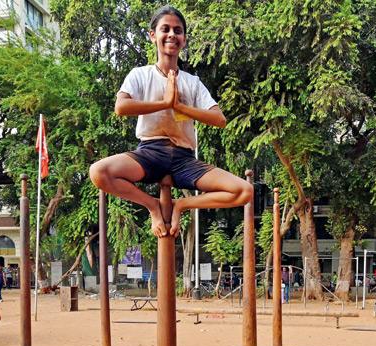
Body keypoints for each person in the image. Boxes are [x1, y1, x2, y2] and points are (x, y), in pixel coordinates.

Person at [88, 5, 253, 241]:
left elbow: (219, 119)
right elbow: (121, 107)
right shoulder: (140, 74)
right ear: (153, 35)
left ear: (184, 39)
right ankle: (152, 206)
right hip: (150, 154)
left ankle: (182, 205)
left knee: (244, 191)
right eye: (165, 29)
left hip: (184, 159)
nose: (172, 35)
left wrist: (179, 106)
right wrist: (165, 102)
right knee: (99, 172)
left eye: (178, 30)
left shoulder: (192, 82)